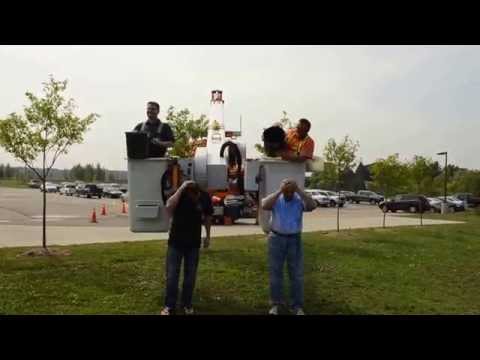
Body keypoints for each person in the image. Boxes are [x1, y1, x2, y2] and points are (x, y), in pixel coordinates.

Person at [261, 178, 317, 315]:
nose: (289, 194)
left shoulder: (299, 199)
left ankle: (296, 305)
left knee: (296, 274)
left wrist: (298, 190)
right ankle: (276, 304)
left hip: (294, 239)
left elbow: (313, 205)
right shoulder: (276, 198)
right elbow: (264, 205)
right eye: (287, 191)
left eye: (291, 191)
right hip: (276, 238)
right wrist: (280, 190)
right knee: (276, 273)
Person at [161, 180, 213, 315]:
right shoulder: (178, 193)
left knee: (190, 276)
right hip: (175, 242)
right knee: (172, 275)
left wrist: (208, 236)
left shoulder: (204, 196)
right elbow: (168, 207)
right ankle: (169, 306)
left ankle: (187, 304)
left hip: (193, 244)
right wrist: (181, 188)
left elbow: (208, 217)